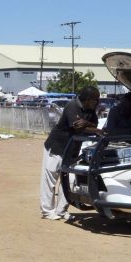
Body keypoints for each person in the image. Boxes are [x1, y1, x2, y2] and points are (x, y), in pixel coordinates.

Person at [40, 86, 103, 220]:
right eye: (95, 100)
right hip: (57, 147)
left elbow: (92, 124)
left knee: (68, 181)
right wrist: (94, 128)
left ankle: (61, 211)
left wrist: (87, 122)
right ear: (87, 99)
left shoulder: (90, 111)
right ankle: (47, 211)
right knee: (50, 179)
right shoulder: (72, 106)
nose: (97, 102)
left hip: (72, 150)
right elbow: (78, 127)